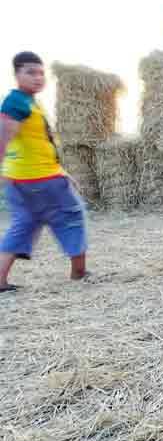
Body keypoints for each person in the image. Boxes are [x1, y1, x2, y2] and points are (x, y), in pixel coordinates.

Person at [0, 52, 88, 293]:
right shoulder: (16, 102)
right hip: (40, 179)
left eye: (41, 72)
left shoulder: (29, 102)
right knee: (72, 218)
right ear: (16, 74)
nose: (38, 77)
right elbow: (3, 136)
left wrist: (61, 170)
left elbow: (39, 144)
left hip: (23, 179)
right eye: (30, 72)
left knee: (24, 223)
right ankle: (79, 273)